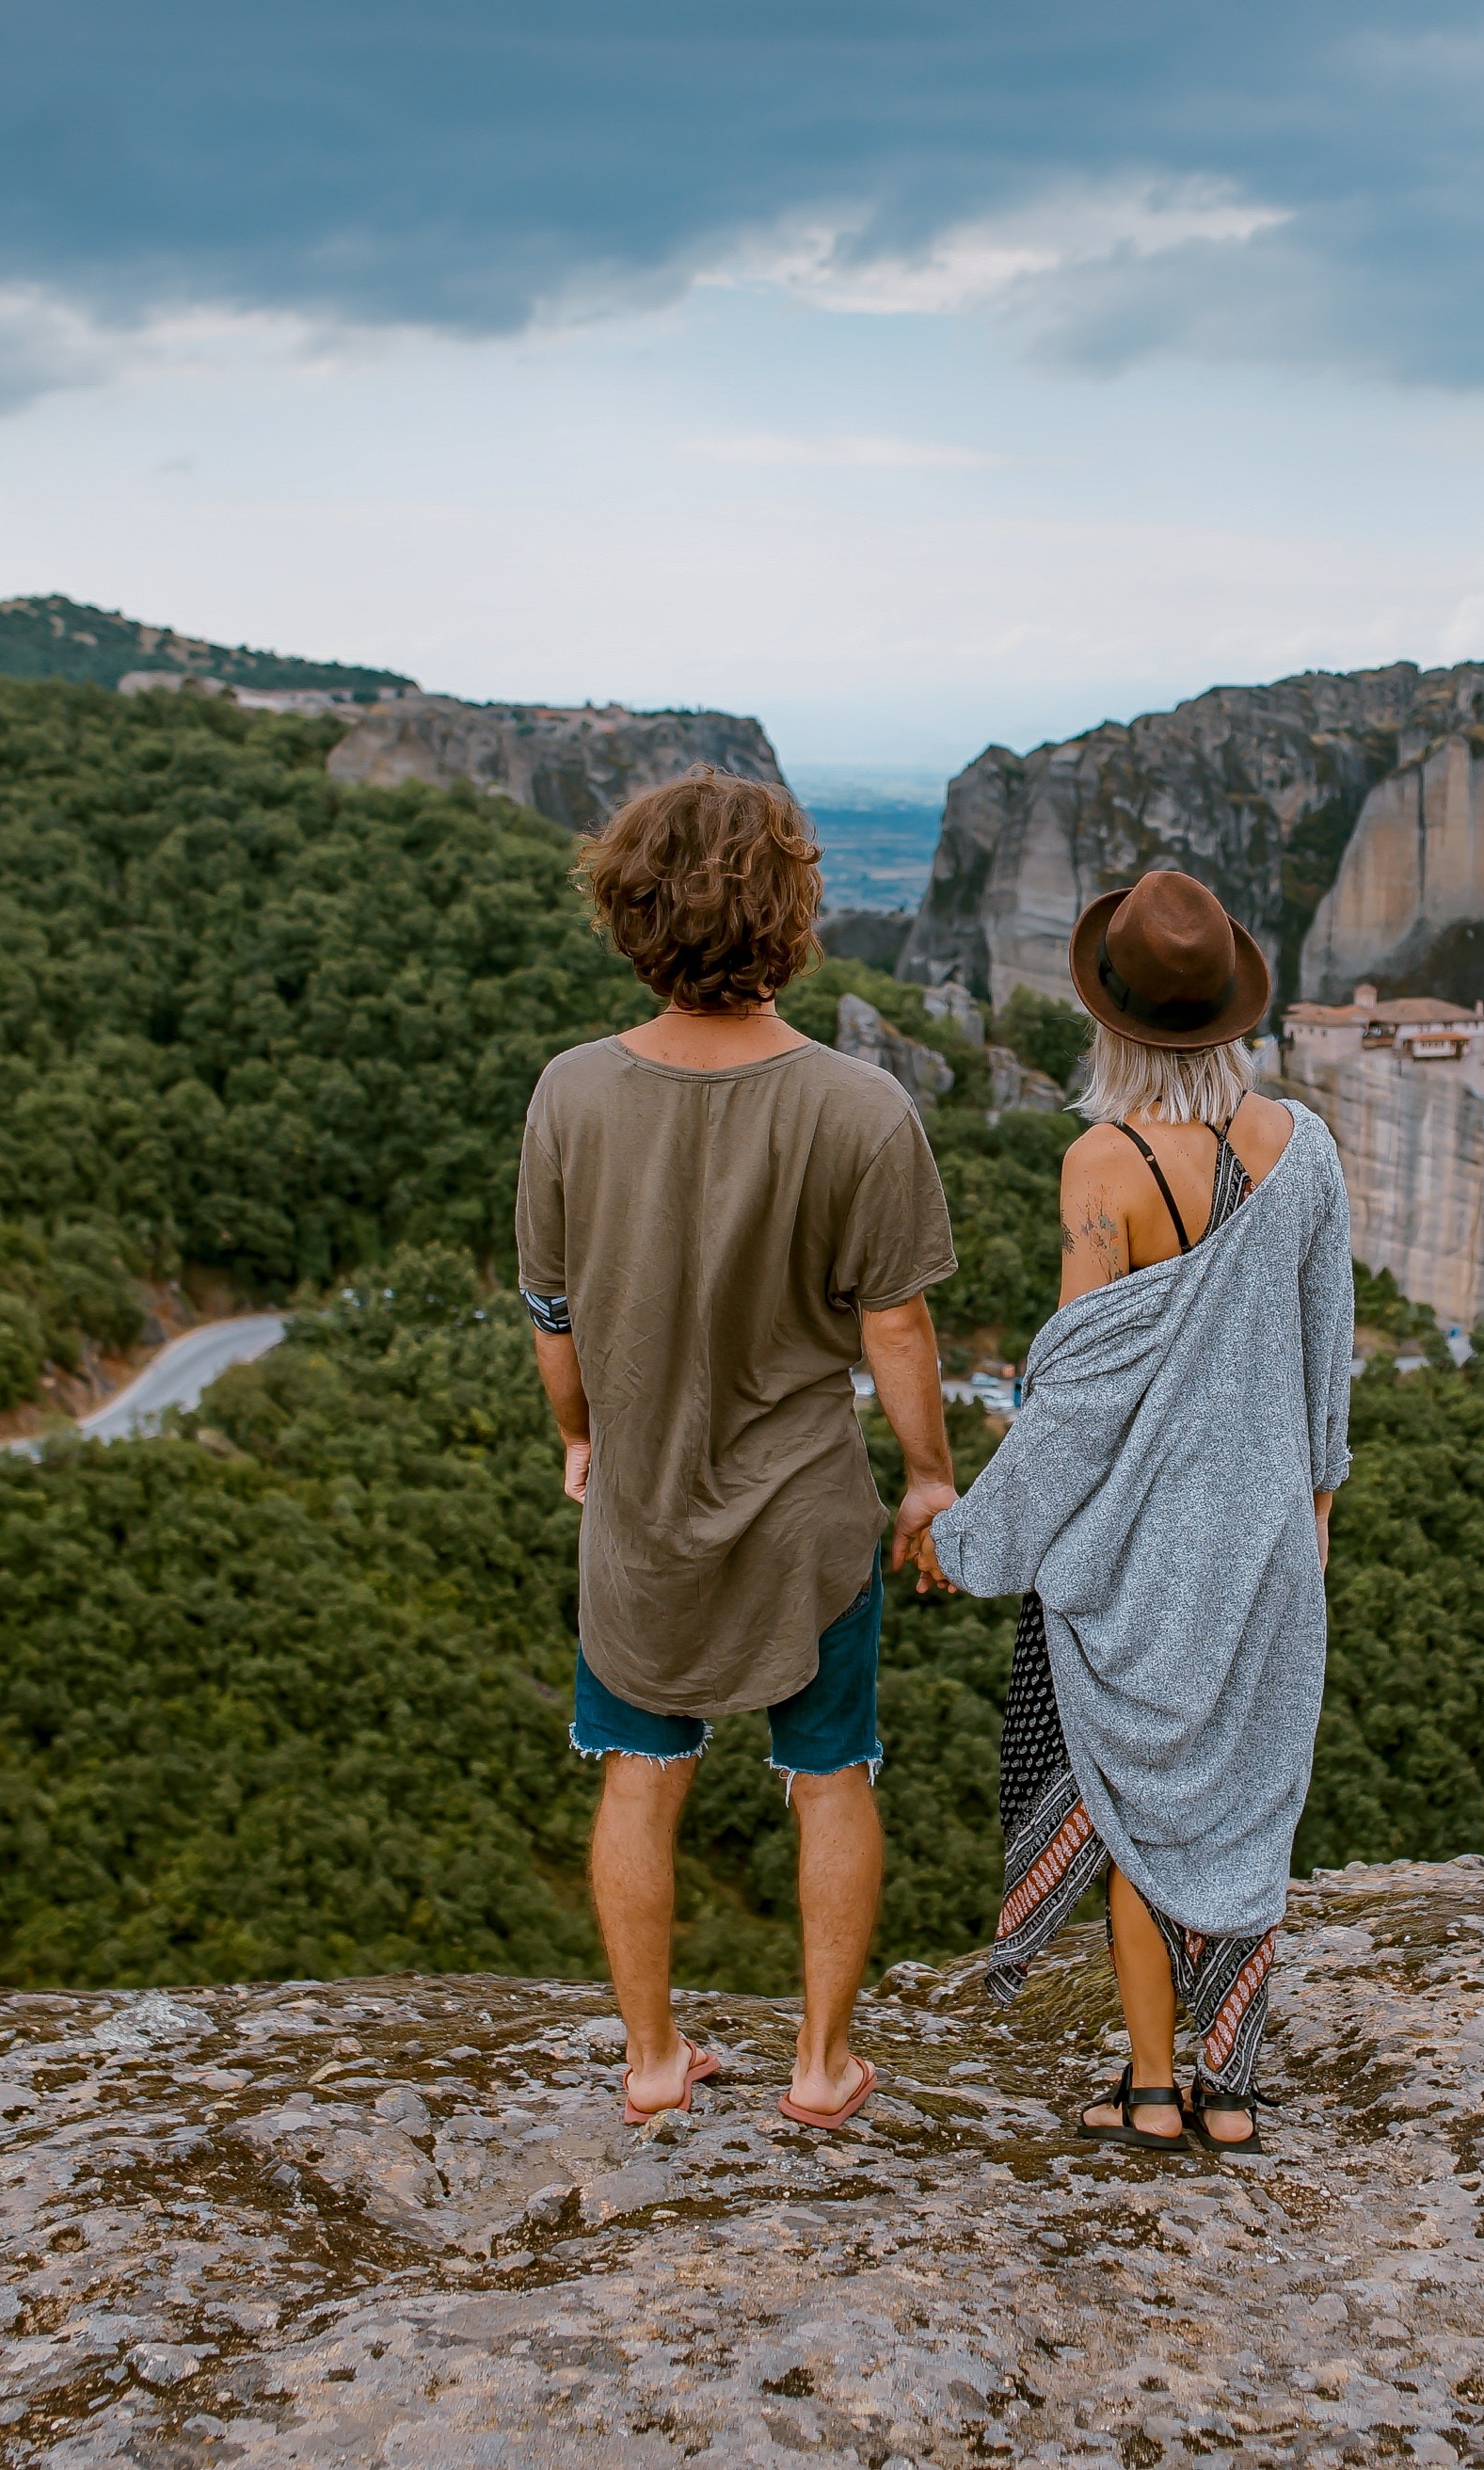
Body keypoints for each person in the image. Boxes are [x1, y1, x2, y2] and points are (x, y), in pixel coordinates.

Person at [517, 768, 963, 2135]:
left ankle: (653, 2060)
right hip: (807, 1515)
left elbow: (554, 1317)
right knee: (831, 1776)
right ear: (791, 911)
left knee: (636, 1776)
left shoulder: (571, 1095)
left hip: (641, 1509)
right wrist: (933, 1475)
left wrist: (581, 1437)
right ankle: (821, 2069)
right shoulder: (860, 1107)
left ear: (630, 908)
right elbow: (894, 1325)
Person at [926, 869, 1352, 2154]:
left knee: (1128, 1809)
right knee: (1243, 1802)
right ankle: (1233, 2091)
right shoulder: (1308, 1150)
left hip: (1138, 1550)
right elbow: (1327, 1368)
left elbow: (1073, 1402)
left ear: (1113, 1020)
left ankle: (1156, 2088)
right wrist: (1313, 1528)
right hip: (1271, 1540)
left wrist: (969, 1538)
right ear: (1232, 1012)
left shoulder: (1101, 1166)